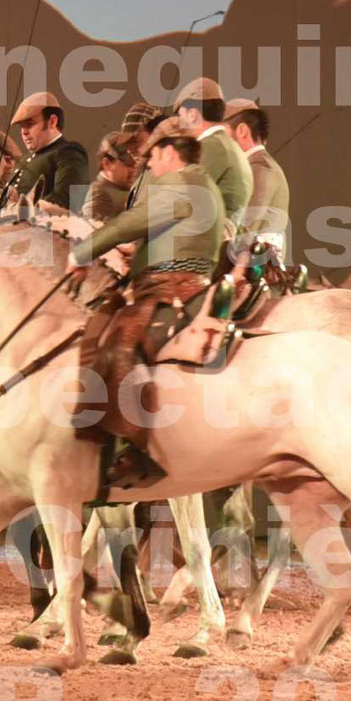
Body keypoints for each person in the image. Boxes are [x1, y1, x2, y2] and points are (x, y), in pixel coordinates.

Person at [66, 118, 225, 485]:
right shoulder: (201, 182)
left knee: (119, 341)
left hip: (168, 286)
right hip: (175, 280)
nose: (149, 165)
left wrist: (83, 253)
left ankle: (135, 446)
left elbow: (134, 220)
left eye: (152, 156)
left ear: (169, 151)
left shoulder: (180, 182)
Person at [173, 77, 253, 221]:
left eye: (181, 115)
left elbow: (182, 201)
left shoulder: (213, 146)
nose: (179, 124)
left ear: (192, 115)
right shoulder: (226, 144)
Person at [224, 98, 290, 259]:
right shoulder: (255, 167)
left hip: (254, 273)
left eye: (222, 132)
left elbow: (247, 228)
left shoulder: (262, 169)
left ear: (242, 131)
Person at [11, 91, 89, 215]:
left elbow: (68, 200)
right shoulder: (25, 160)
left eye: (29, 124)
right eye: (22, 126)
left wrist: (22, 211)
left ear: (52, 121)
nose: (24, 132)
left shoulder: (69, 153)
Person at [82, 132, 136, 223]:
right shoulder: (99, 198)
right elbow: (91, 234)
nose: (133, 169)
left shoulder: (115, 190)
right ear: (106, 164)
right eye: (128, 164)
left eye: (135, 164)